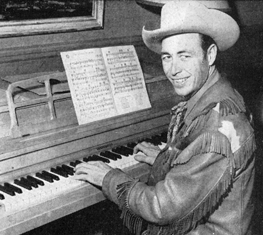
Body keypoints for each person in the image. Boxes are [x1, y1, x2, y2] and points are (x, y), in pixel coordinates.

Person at [74, 1, 256, 234]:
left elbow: (161, 207)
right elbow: (197, 158)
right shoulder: (215, 95)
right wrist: (168, 157)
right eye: (166, 57)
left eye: (184, 55)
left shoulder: (217, 127)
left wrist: (109, 177)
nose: (173, 70)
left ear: (210, 55)